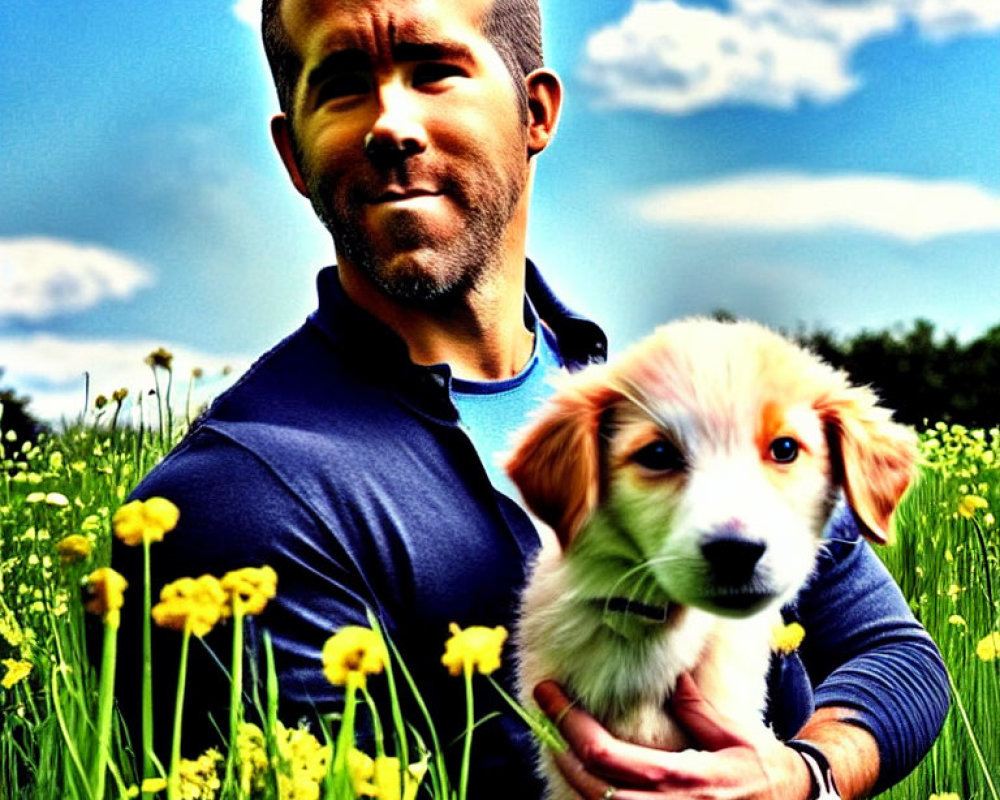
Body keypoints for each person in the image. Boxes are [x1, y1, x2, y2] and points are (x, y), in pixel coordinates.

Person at [111, 0, 949, 798]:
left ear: (536, 112)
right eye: (340, 84)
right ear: (294, 153)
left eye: (434, 68)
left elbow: (895, 656)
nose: (390, 125)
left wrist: (804, 774)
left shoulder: (674, 405)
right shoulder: (237, 504)